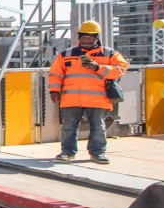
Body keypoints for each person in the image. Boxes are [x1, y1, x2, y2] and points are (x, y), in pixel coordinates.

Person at [49, 19, 128, 164]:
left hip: (97, 98)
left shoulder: (109, 54)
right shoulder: (67, 54)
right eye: (83, 37)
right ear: (79, 37)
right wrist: (54, 90)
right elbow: (55, 74)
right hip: (72, 98)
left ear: (96, 38)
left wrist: (98, 68)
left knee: (98, 127)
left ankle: (97, 153)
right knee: (69, 127)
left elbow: (120, 70)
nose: (86, 40)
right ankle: (67, 152)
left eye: (89, 38)